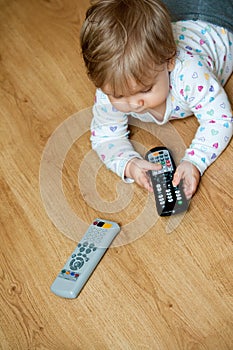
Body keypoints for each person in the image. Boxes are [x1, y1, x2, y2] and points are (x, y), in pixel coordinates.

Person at [80, 0, 233, 199]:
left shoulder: (189, 73)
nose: (134, 103)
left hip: (218, 15)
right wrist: (129, 164)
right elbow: (105, 136)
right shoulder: (108, 89)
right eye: (118, 96)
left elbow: (220, 120)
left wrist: (195, 161)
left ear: (169, 60)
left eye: (145, 90)